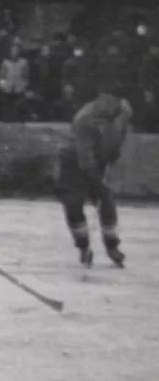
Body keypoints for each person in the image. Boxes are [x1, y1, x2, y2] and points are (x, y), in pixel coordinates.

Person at [55, 85, 131, 268]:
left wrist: (113, 156)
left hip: (98, 160)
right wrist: (96, 179)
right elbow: (85, 155)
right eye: (103, 98)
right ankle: (83, 247)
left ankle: (113, 246)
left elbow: (119, 139)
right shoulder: (85, 119)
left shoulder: (124, 113)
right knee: (73, 205)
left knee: (107, 202)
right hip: (73, 163)